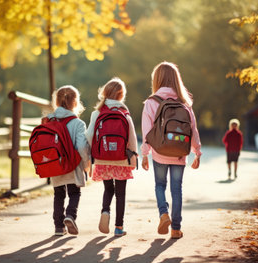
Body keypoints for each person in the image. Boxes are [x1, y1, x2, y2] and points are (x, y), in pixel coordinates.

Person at [141, 61, 202, 239]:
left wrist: (145, 153)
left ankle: (163, 214)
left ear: (156, 79)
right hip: (179, 153)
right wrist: (197, 152)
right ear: (176, 79)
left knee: (160, 185)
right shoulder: (184, 103)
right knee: (177, 189)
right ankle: (176, 229)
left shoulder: (151, 102)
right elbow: (193, 129)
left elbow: (147, 131)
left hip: (159, 152)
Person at [86, 77, 138, 237]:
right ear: (121, 95)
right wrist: (134, 158)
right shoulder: (125, 114)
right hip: (122, 159)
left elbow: (89, 136)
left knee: (108, 189)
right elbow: (132, 139)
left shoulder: (97, 113)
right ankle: (119, 227)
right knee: (121, 193)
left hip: (103, 158)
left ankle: (105, 211)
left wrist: (91, 156)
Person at [47, 85, 90, 236]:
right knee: (74, 193)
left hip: (54, 164)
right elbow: (81, 147)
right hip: (72, 164)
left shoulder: (49, 120)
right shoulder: (78, 123)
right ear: (75, 102)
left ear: (56, 101)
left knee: (58, 194)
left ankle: (59, 226)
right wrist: (86, 165)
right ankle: (70, 216)